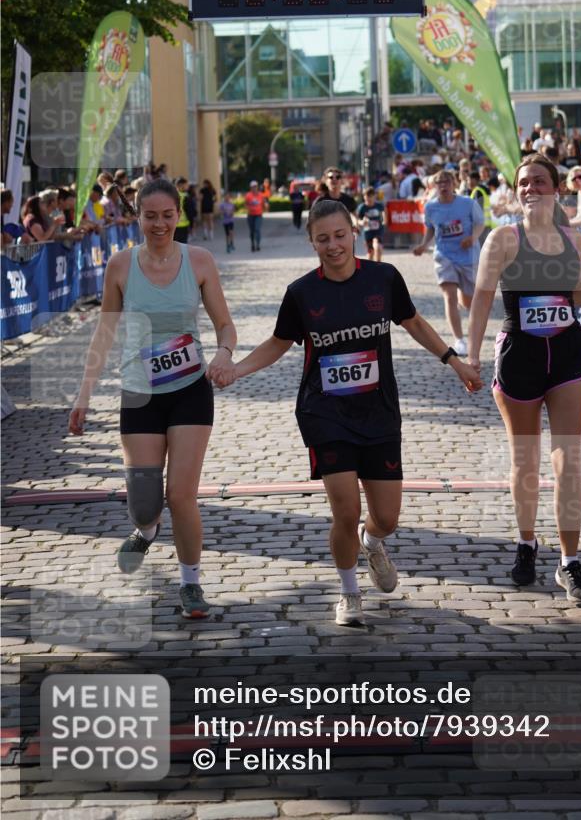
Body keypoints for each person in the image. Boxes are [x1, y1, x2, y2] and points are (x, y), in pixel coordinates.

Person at [218, 199, 481, 626]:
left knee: (387, 518)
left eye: (340, 235)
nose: (333, 245)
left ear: (353, 232)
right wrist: (237, 369)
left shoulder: (383, 278)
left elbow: (413, 322)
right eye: (323, 239)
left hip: (378, 412)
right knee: (345, 510)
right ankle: (349, 593)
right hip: (325, 413)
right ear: (312, 242)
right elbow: (278, 342)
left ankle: (373, 542)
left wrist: (455, 361)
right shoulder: (302, 294)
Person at [467, 155, 581, 609]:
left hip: (567, 354)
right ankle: (526, 544)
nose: (530, 188)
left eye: (539, 181)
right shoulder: (502, 240)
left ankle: (569, 560)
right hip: (520, 356)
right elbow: (483, 299)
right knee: (526, 463)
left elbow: (576, 291)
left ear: (555, 188)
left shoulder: (572, 238)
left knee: (568, 460)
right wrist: (469, 356)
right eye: (523, 182)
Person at [68, 179, 237, 619]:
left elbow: (225, 325)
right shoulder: (121, 266)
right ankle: (146, 530)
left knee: (181, 494)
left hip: (189, 391)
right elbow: (104, 333)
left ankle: (191, 583)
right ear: (138, 217)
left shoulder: (199, 261)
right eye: (150, 216)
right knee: (145, 502)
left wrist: (223, 353)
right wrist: (83, 396)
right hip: (140, 393)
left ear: (178, 215)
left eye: (167, 215)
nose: (159, 224)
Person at [413, 170, 484, 356]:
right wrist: (423, 245)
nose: (443, 186)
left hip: (468, 257)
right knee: (449, 296)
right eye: (439, 183)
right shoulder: (430, 207)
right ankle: (459, 340)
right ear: (434, 186)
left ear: (453, 184)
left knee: (468, 301)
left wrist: (472, 237)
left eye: (447, 182)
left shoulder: (468, 204)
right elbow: (430, 229)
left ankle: (464, 301)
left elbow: (480, 224)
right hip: (444, 256)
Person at [357, 186, 384, 262]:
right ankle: (370, 270)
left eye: (370, 196)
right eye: (366, 196)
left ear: (374, 196)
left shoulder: (379, 206)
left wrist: (384, 222)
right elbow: (358, 220)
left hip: (378, 231)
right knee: (370, 254)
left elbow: (384, 215)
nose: (369, 198)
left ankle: (378, 266)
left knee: (378, 247)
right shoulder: (362, 207)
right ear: (364, 197)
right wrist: (362, 222)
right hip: (368, 233)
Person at [244, 180, 267, 251]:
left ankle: (258, 244)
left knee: (257, 229)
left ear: (257, 187)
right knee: (252, 231)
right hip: (250, 215)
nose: (254, 188)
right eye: (253, 187)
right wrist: (248, 208)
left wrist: (264, 208)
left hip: (258, 215)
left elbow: (264, 204)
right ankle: (252, 244)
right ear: (251, 188)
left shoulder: (261, 195)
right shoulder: (248, 195)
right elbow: (245, 204)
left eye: (255, 187)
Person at [174, 177, 191, 243]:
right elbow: (190, 211)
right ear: (181, 185)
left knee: (174, 245)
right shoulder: (186, 196)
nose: (187, 186)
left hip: (173, 224)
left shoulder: (171, 196)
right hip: (184, 224)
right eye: (186, 185)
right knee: (183, 245)